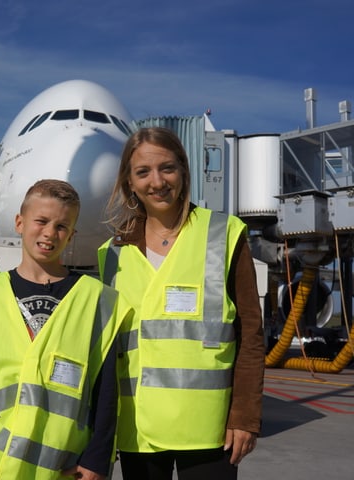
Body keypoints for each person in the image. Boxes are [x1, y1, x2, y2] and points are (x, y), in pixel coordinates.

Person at [98, 127, 265, 480]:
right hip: (137, 430)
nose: (157, 182)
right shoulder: (111, 254)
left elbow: (250, 334)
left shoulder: (224, 233)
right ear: (129, 182)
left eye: (167, 168)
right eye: (143, 172)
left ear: (184, 172)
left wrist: (245, 417)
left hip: (209, 429)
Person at [0, 179, 133, 480]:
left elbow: (105, 391)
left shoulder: (96, 299)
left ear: (71, 235)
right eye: (41, 221)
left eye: (62, 226)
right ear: (20, 222)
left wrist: (97, 460)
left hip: (63, 466)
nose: (50, 233)